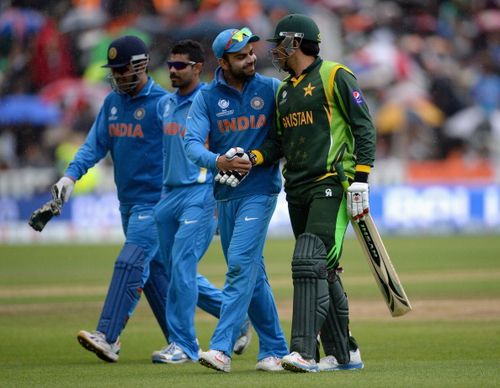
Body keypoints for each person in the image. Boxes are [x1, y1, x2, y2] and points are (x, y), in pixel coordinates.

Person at [51, 35, 248, 363]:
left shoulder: (163, 103)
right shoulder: (113, 104)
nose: (116, 76)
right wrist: (70, 176)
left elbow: (192, 145)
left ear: (140, 66)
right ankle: (228, 320)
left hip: (156, 202)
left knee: (131, 262)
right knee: (165, 275)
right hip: (127, 203)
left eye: (121, 69)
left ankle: (108, 336)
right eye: (112, 70)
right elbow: (94, 145)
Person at [247, 14, 376, 372]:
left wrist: (361, 178)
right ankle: (344, 352)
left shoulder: (336, 75)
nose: (273, 51)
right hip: (298, 188)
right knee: (324, 268)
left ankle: (303, 352)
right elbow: (276, 143)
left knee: (307, 261)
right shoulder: (284, 90)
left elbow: (364, 126)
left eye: (278, 43)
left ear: (294, 42)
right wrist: (252, 157)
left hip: (332, 183)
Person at [184, 27, 289, 373]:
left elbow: (287, 137)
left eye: (251, 53)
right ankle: (274, 349)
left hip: (261, 191)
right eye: (242, 56)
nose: (251, 59)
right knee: (252, 272)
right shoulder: (206, 98)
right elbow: (192, 145)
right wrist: (219, 161)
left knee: (241, 264)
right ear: (223, 61)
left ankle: (221, 348)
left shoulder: (272, 89)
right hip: (225, 195)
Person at [150, 40, 251, 364]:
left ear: (197, 67)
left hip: (201, 192)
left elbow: (230, 148)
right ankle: (233, 316)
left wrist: (222, 199)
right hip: (170, 194)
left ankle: (184, 345)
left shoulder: (209, 101)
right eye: (170, 65)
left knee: (181, 265)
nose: (172, 71)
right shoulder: (165, 104)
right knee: (177, 270)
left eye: (180, 65)